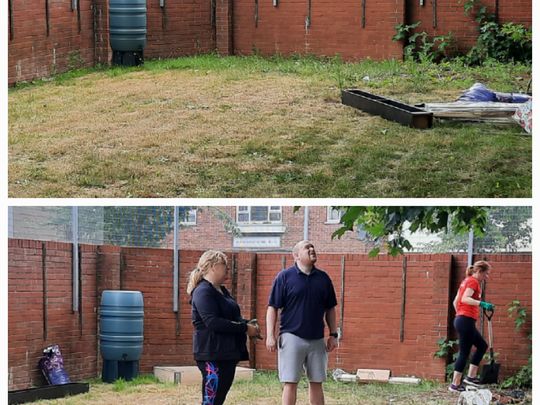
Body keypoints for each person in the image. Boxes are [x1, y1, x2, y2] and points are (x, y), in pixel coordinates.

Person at [265, 240, 338, 405]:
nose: (312, 249)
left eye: (313, 246)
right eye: (307, 247)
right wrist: (270, 335)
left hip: (317, 339)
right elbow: (272, 308)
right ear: (296, 255)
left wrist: (333, 334)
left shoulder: (324, 279)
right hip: (291, 337)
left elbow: (330, 309)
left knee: (317, 382)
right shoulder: (284, 277)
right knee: (290, 382)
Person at [187, 250, 261, 405]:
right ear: (214, 267)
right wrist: (244, 328)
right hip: (211, 355)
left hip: (227, 353)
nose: (228, 269)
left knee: (219, 399)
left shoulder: (222, 290)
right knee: (211, 400)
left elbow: (231, 318)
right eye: (224, 266)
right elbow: (213, 322)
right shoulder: (202, 291)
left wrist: (248, 324)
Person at [449, 260, 494, 393]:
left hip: (463, 320)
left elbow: (455, 301)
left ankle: (471, 377)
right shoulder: (473, 282)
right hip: (465, 320)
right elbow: (465, 299)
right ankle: (455, 385)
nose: (487, 277)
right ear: (479, 272)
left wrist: (460, 315)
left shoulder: (466, 281)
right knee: (464, 353)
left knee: (482, 346)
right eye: (486, 274)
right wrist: (482, 304)